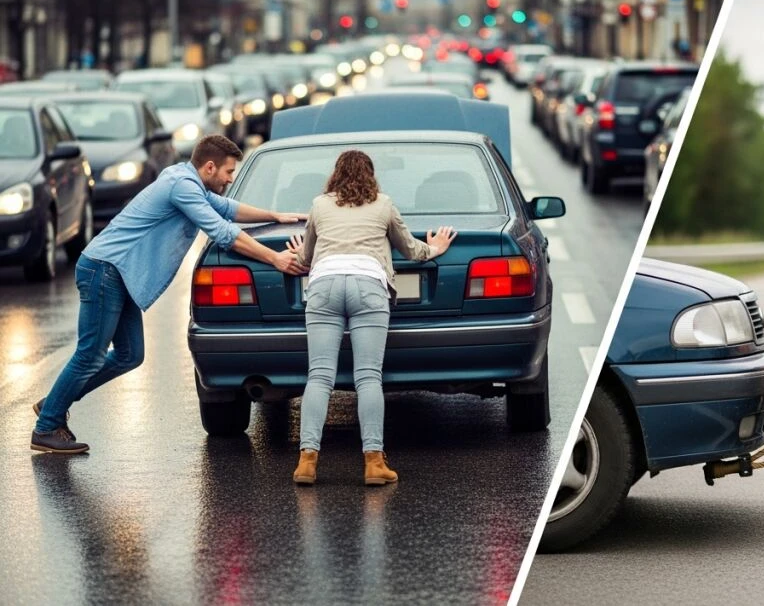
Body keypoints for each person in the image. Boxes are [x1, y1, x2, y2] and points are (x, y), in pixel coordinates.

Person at [31, 135, 309, 454]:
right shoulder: (183, 187)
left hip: (119, 274)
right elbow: (222, 232)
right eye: (229, 172)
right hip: (105, 270)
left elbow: (228, 208)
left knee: (129, 355)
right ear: (209, 166)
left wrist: (274, 216)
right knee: (91, 353)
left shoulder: (188, 180)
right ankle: (47, 426)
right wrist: (275, 258)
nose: (231, 179)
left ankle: (55, 401)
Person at [287, 150, 456, 486]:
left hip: (324, 287)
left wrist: (298, 250)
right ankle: (373, 463)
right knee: (367, 377)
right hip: (368, 286)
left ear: (335, 175)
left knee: (319, 376)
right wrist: (435, 248)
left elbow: (305, 257)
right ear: (371, 175)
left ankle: (306, 462)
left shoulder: (320, 205)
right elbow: (411, 249)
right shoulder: (383, 204)